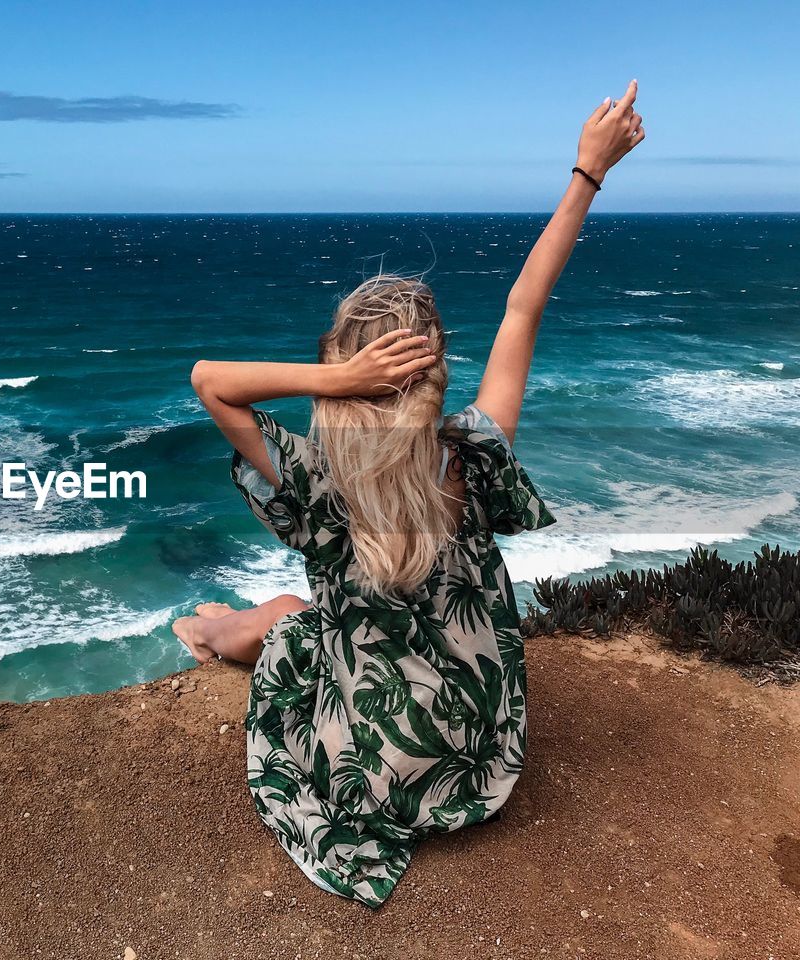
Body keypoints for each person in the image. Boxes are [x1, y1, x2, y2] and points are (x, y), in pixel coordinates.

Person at [174, 81, 645, 908]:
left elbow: (212, 382)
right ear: (437, 365)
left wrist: (339, 378)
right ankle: (220, 629)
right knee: (296, 612)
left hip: (375, 771)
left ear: (343, 367)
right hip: (480, 756)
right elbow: (523, 306)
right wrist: (588, 170)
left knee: (291, 619)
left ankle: (213, 635)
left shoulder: (317, 478)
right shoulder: (473, 451)